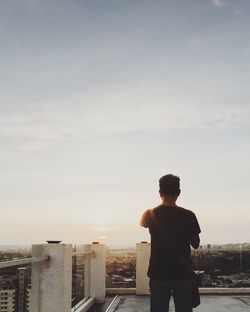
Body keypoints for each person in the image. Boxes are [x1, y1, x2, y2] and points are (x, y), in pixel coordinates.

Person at [140, 174, 201, 312]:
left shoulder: (149, 214)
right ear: (179, 193)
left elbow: (142, 223)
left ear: (160, 192)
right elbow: (195, 244)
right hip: (182, 273)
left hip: (158, 273)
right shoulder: (189, 215)